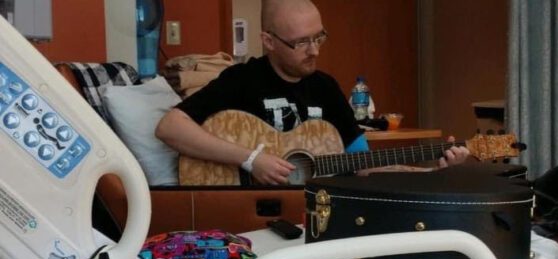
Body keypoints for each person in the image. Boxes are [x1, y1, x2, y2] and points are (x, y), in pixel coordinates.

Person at [155, 0, 469, 185]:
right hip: (250, 210)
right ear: (269, 41)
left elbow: (364, 166)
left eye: (318, 38)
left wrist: (432, 171)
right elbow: (170, 127)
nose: (314, 51)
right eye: (301, 42)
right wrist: (251, 159)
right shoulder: (242, 80)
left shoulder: (326, 88)